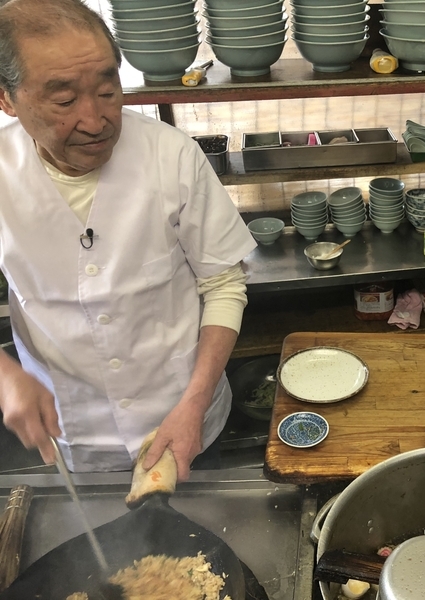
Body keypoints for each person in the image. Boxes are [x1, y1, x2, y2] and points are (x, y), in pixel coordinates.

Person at [0, 0, 257, 480]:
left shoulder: (171, 155)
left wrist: (193, 404)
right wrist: (5, 378)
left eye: (108, 90)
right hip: (74, 430)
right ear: (7, 99)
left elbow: (224, 285)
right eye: (63, 101)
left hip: (185, 413)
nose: (96, 121)